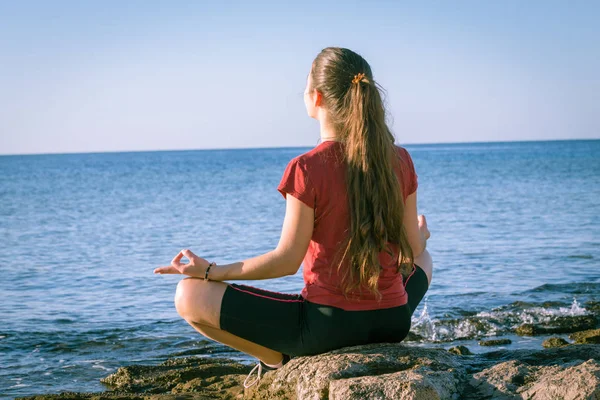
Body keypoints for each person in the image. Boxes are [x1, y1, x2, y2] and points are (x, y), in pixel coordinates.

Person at [153, 46, 433, 389]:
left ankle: (276, 360)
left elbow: (286, 261)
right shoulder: (400, 159)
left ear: (316, 97)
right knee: (425, 258)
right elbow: (412, 248)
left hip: (328, 329)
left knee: (188, 295)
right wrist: (421, 235)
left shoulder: (307, 168)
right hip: (393, 321)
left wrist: (210, 272)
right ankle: (282, 355)